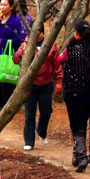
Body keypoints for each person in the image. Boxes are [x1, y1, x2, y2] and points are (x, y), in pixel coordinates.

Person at [58, 20, 90, 172]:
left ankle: (82, 156)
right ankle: (76, 155)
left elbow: (59, 60)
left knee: (76, 125)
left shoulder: (71, 49)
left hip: (74, 91)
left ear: (76, 32)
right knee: (82, 123)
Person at [14, 22, 59, 151]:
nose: (36, 34)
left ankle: (41, 130)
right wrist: (24, 48)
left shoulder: (51, 46)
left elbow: (57, 65)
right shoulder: (26, 45)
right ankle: (29, 141)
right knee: (30, 113)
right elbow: (16, 59)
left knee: (46, 111)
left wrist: (59, 81)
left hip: (46, 83)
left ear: (43, 33)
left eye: (39, 32)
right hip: (31, 85)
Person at [0, 0, 28, 117]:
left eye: (5, 5)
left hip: (6, 55)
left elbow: (17, 40)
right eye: (1, 5)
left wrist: (2, 41)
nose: (2, 7)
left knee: (5, 82)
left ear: (11, 7)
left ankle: (5, 111)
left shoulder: (14, 23)